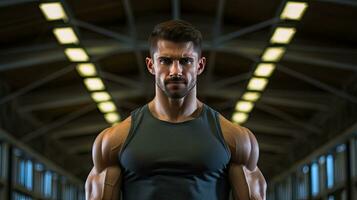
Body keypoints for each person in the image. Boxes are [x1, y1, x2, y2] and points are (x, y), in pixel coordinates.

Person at [85, 20, 266, 200]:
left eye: (186, 61)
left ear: (200, 66)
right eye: (165, 61)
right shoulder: (114, 141)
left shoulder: (236, 139)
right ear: (151, 65)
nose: (176, 71)